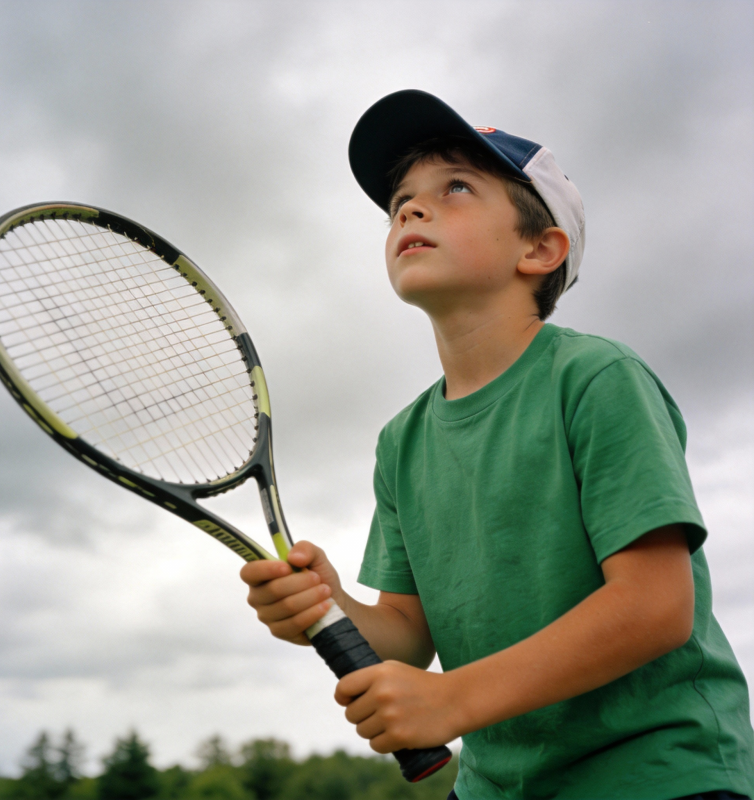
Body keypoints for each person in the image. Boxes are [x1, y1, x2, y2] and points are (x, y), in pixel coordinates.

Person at [240, 90, 754, 799]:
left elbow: (655, 606)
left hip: (658, 775)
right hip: (495, 787)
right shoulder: (402, 441)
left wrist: (452, 700)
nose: (412, 210)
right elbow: (405, 634)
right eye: (401, 201)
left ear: (540, 249)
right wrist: (330, 608)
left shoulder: (597, 377)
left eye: (456, 188)